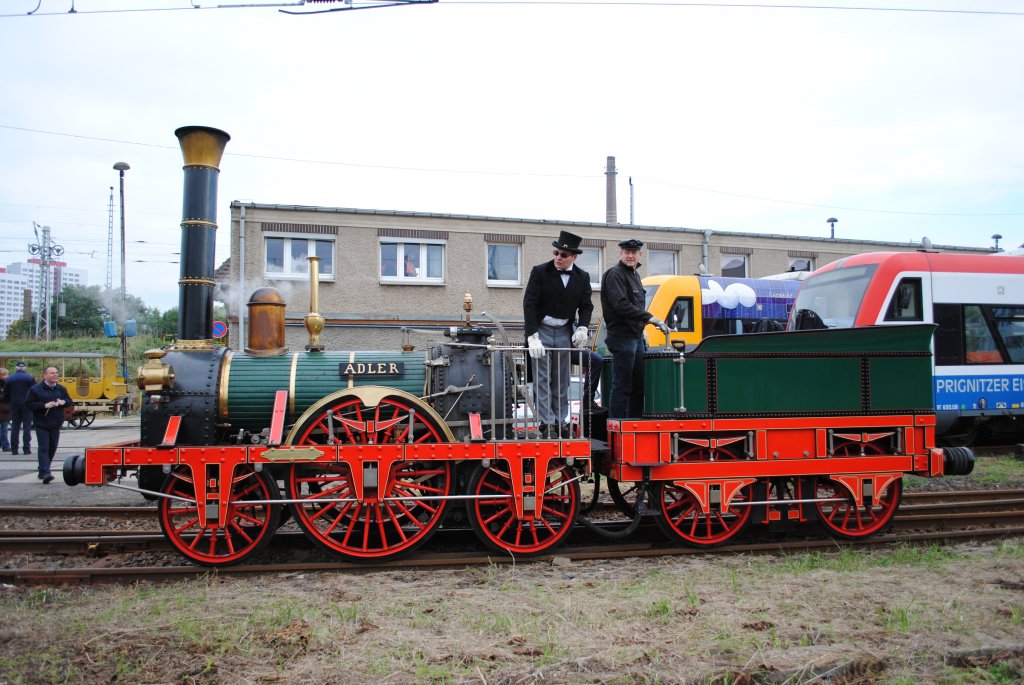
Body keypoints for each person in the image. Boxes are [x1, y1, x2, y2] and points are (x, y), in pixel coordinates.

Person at [523, 230, 594, 438]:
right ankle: (546, 424)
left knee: (562, 379)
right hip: (542, 329)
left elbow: (586, 306)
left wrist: (582, 327)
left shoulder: (582, 277)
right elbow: (529, 304)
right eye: (556, 253)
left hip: (564, 330)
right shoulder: (540, 271)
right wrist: (532, 335)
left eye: (563, 255)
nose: (558, 258)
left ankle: (561, 421)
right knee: (542, 378)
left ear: (574, 257)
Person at [600, 238, 669, 419]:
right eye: (627, 252)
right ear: (621, 254)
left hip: (635, 337)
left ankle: (634, 424)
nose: (630, 255)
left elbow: (634, 306)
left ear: (640, 255)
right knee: (622, 386)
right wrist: (649, 318)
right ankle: (616, 426)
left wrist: (643, 327)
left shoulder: (635, 276)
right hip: (622, 337)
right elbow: (621, 305)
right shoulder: (615, 274)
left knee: (638, 386)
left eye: (634, 252)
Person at [25, 366, 72, 484]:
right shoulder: (35, 389)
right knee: (44, 448)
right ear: (45, 375)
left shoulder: (61, 388)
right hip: (42, 423)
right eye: (52, 373)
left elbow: (69, 400)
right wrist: (44, 405)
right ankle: (46, 472)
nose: (55, 375)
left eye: (56, 373)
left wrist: (63, 402)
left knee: (52, 448)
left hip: (56, 424)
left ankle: (42, 470)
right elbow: (29, 404)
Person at [4, 361, 35, 456]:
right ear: (24, 368)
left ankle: (14, 449)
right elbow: (34, 391)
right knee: (27, 427)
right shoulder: (30, 377)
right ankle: (26, 449)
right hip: (27, 405)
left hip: (14, 405)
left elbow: (6, 394)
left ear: (16, 367)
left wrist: (11, 401)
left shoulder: (9, 378)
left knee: (15, 427)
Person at [0, 367, 10, 452]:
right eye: (6, 374)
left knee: (3, 429)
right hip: (4, 410)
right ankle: (5, 445)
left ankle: (4, 445)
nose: (8, 376)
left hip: (4, 410)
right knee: (4, 429)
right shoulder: (4, 385)